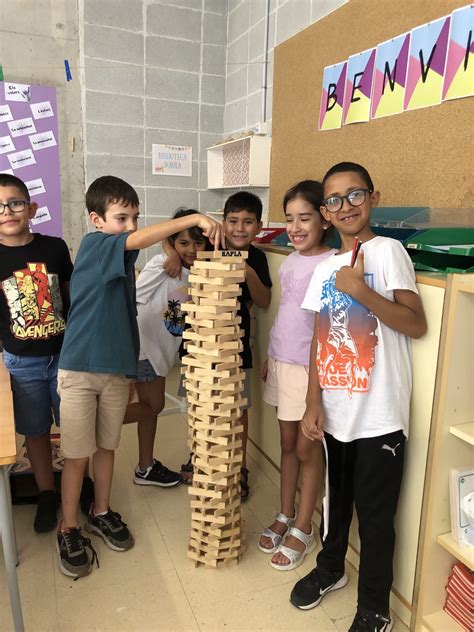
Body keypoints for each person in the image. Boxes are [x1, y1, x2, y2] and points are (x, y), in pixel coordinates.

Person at [56, 175, 223, 579]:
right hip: (80, 370)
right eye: (121, 218)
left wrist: (130, 369)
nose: (130, 226)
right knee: (78, 455)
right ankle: (69, 527)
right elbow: (139, 241)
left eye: (134, 217)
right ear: (97, 220)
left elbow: (125, 319)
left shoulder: (125, 263)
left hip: (115, 371)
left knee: (107, 447)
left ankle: (101, 510)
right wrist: (197, 217)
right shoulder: (95, 245)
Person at [290, 162, 427, 631]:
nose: (345, 205)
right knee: (337, 499)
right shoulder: (326, 266)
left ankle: (375, 608)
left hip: (380, 417)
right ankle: (330, 568)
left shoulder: (388, 251)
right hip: (335, 411)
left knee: (375, 514)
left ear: (373, 197)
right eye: (334, 199)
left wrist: (361, 292)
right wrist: (313, 402)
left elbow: (415, 323)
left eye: (355, 195)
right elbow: (318, 339)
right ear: (325, 213)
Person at [165, 192, 272, 497]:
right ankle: (201, 455)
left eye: (248, 222)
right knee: (200, 402)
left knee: (238, 407)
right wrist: (170, 252)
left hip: (234, 349)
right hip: (199, 346)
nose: (239, 228)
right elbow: (175, 235)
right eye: (233, 221)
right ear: (223, 222)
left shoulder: (258, 258)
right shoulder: (210, 246)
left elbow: (263, 300)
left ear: (259, 226)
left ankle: (238, 466)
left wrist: (247, 269)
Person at [0, 173, 85, 533]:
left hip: (64, 357)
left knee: (76, 427)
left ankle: (79, 482)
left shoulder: (53, 247)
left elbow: (72, 296)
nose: (8, 211)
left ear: (30, 207)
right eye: (0, 206)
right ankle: (47, 491)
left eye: (15, 203)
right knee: (35, 431)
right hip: (22, 363)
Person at [258, 180, 335, 570]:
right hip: (283, 363)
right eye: (289, 219)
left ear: (324, 217)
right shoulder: (290, 260)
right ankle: (286, 511)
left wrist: (314, 389)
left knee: (308, 449)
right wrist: (272, 354)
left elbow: (325, 331)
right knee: (287, 442)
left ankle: (304, 526)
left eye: (304, 218)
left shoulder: (333, 262)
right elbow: (285, 315)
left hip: (311, 372)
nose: (295, 227)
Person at [123, 208, 211, 487]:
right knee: (154, 405)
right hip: (144, 348)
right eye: (183, 243)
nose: (192, 249)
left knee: (150, 408)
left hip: (161, 352)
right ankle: (98, 421)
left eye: (198, 243)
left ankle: (145, 467)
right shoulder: (162, 265)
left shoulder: (199, 272)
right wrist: (167, 254)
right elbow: (132, 301)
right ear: (172, 243)